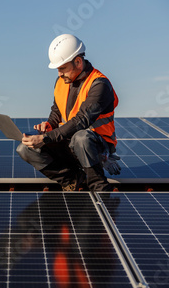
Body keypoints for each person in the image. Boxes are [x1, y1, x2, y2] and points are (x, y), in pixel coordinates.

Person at [17, 34, 121, 191]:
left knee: (82, 137)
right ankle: (73, 180)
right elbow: (56, 111)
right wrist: (49, 125)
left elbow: (81, 121)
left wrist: (46, 138)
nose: (59, 74)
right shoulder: (62, 81)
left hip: (97, 148)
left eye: (62, 68)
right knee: (25, 148)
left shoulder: (99, 85)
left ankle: (98, 186)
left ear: (78, 62)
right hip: (70, 142)